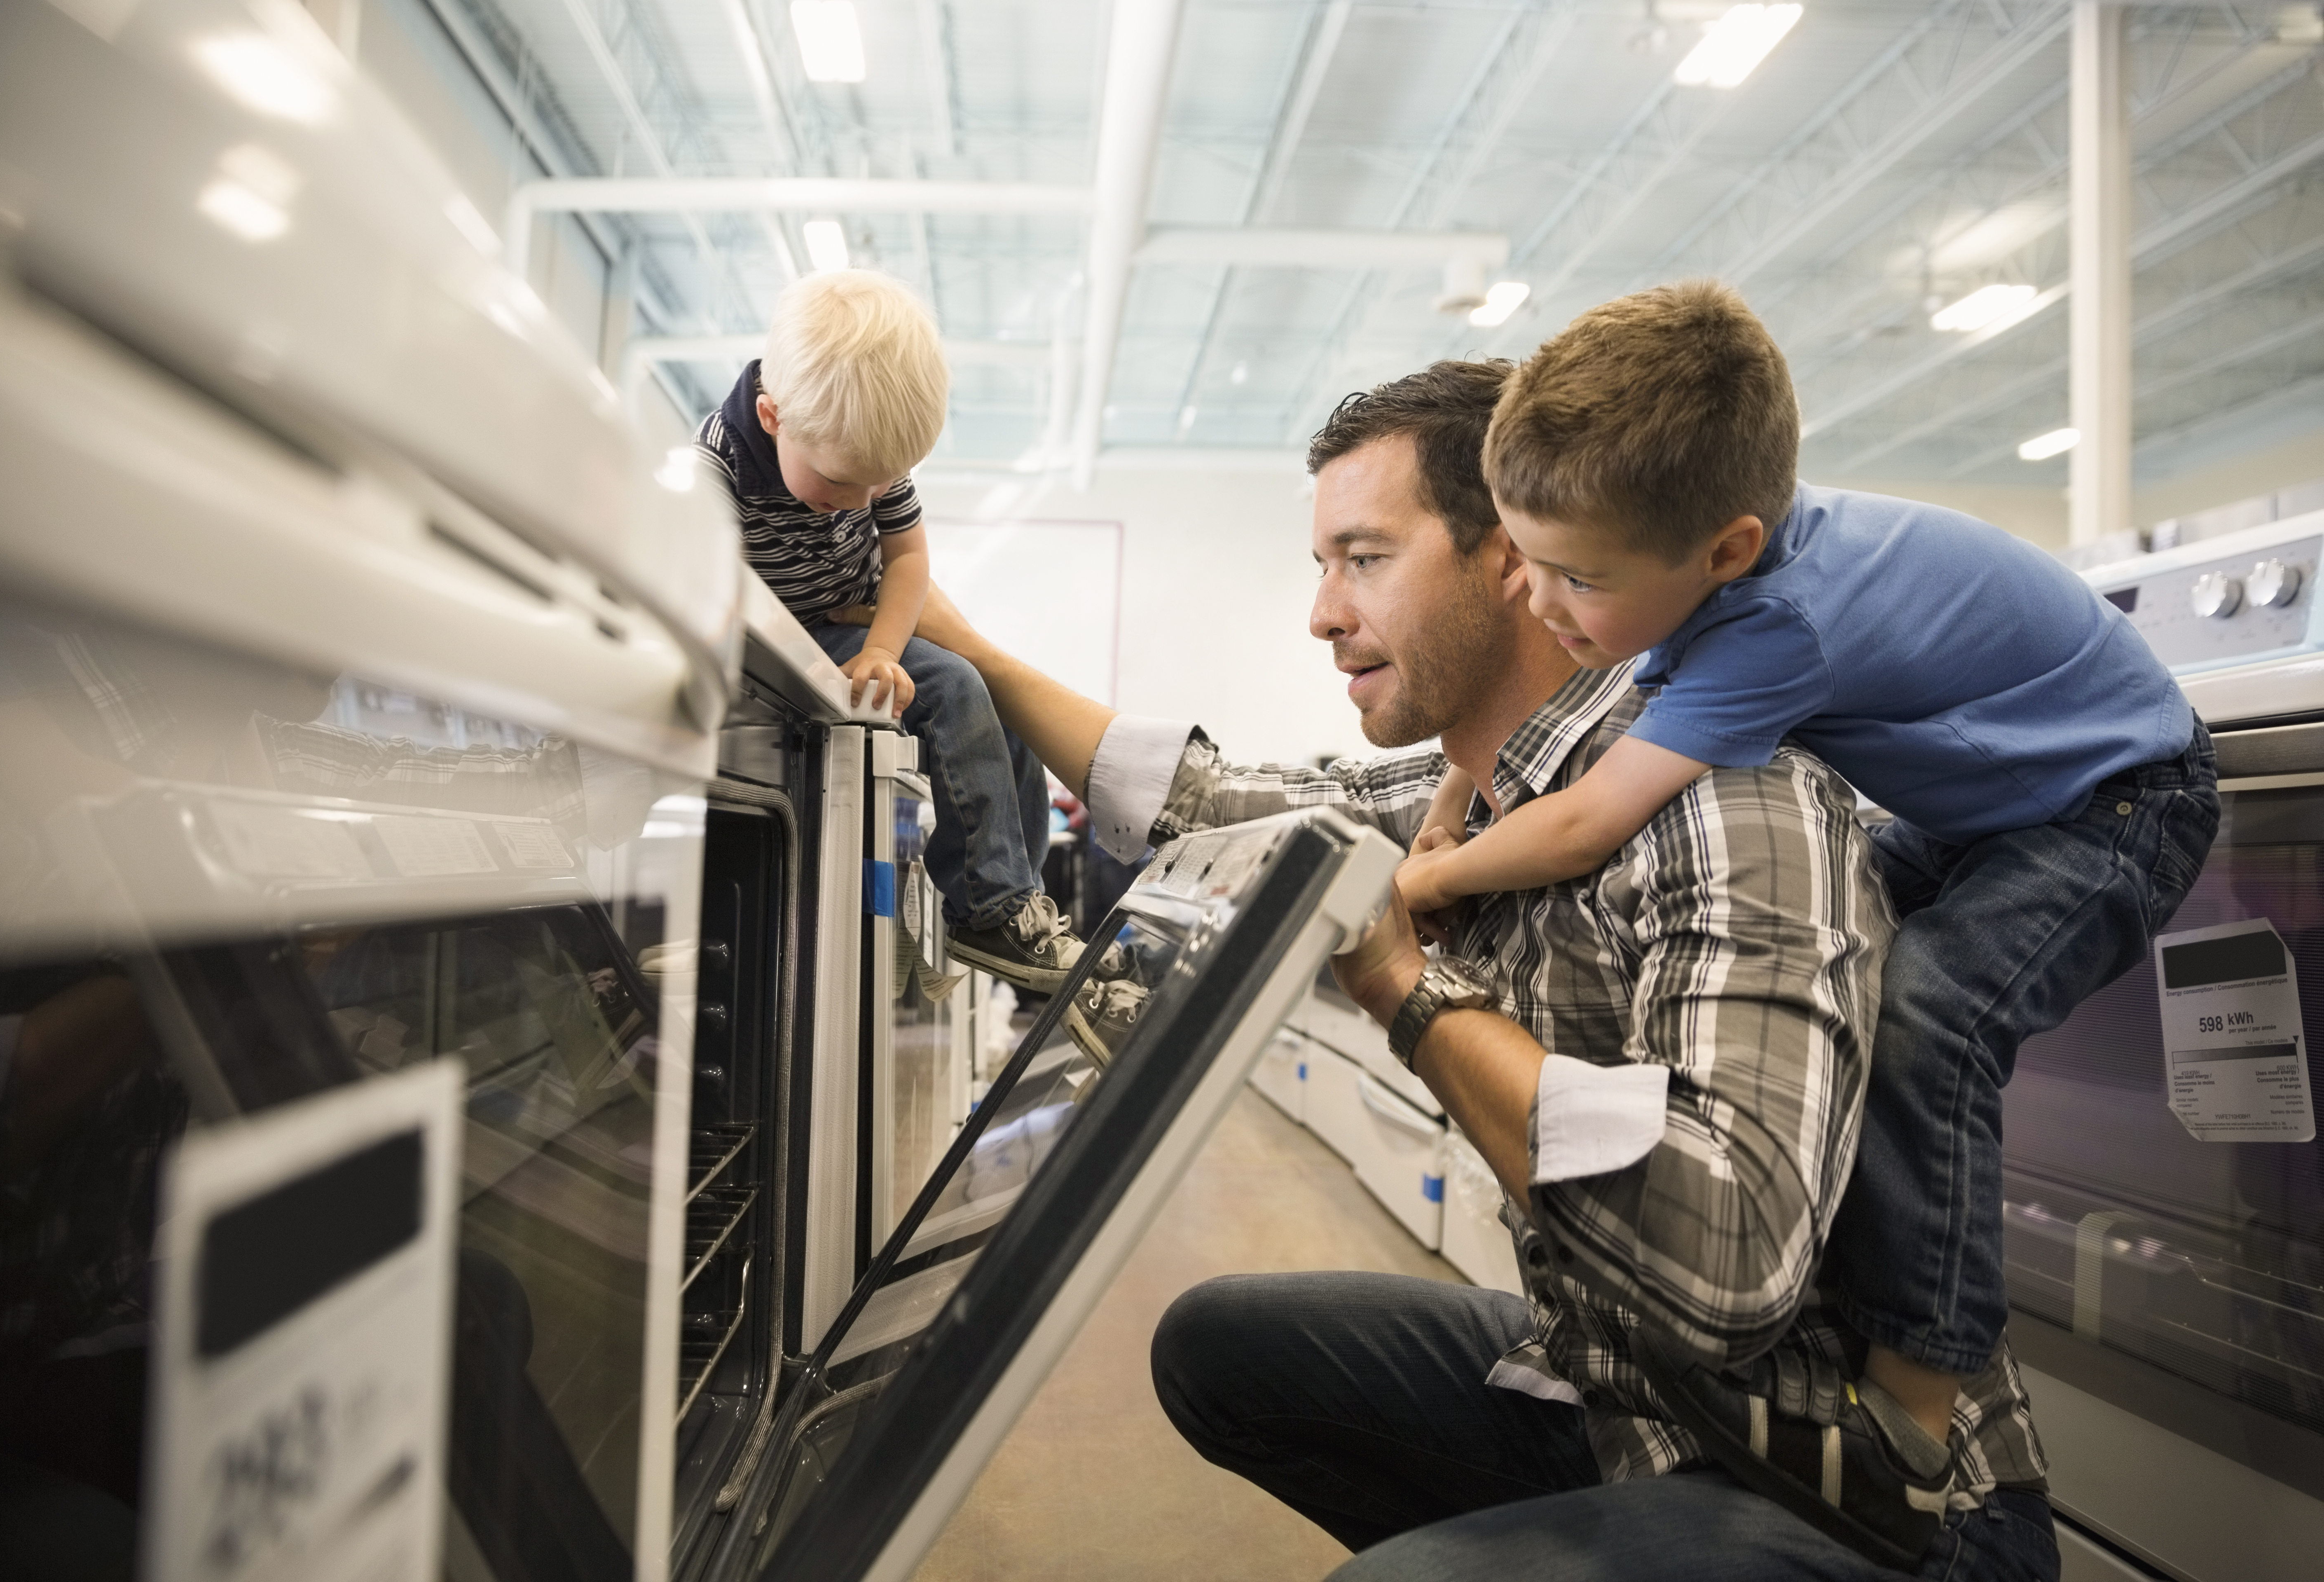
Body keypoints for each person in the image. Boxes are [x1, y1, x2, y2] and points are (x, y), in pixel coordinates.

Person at [877, 361, 2056, 1578]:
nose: (1324, 615)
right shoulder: (1471, 793)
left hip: (1859, 1496)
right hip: (1626, 1412)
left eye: (1365, 559)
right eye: (1321, 568)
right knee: (1217, 1349)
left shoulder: (1729, 795)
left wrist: (1409, 984)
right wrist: (960, 643)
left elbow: (1731, 1269)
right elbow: (1199, 802)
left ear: (1513, 557)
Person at [1390, 281, 2219, 1556]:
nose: (1538, 601)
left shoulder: (1770, 625)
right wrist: (1451, 809)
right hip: (1994, 806)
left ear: (1721, 550)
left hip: (2113, 804)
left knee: (1932, 1015)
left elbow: (1589, 816)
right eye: (1522, 557)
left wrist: (1427, 886)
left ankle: (1917, 1417)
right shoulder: (1702, 573)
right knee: (1853, 955)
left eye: (1573, 577)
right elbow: (1520, 757)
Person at [692, 269, 1079, 992]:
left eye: (881, 487)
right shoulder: (717, 465)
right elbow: (711, 590)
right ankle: (987, 908)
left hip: (859, 623)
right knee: (955, 686)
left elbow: (907, 559)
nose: (861, 505)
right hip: (788, 639)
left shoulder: (862, 448)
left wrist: (882, 650)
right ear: (774, 419)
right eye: (844, 488)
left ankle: (1010, 906)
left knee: (1000, 709)